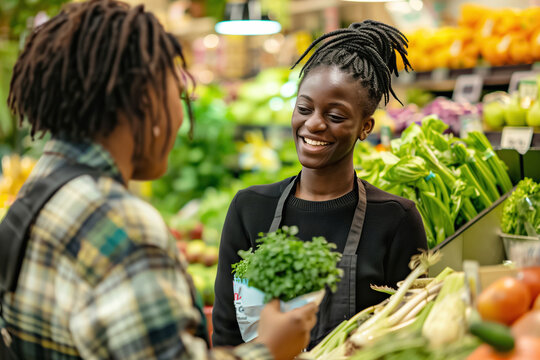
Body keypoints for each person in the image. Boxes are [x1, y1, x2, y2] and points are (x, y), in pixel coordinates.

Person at [0, 1, 317, 359]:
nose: (182, 116)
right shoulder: (120, 225)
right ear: (145, 98)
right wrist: (269, 348)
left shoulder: (41, 189)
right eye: (178, 93)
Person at [212, 20, 428, 349]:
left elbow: (409, 340)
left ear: (365, 127)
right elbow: (227, 335)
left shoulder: (396, 219)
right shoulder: (250, 208)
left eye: (336, 116)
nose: (313, 124)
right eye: (304, 108)